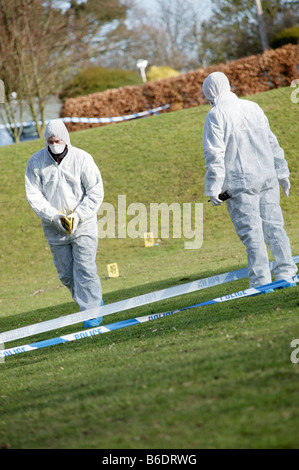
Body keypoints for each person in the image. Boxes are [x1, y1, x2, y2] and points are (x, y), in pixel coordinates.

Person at [202, 71, 297, 288]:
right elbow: (272, 142)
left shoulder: (216, 115)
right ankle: (287, 273)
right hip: (268, 178)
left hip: (240, 184)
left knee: (252, 234)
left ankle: (260, 281)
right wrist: (282, 172)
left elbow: (214, 155)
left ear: (209, 92)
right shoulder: (253, 107)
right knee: (275, 228)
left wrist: (213, 188)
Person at [25, 119, 104, 327]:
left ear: (66, 138)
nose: (54, 144)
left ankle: (91, 315)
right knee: (67, 275)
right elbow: (34, 195)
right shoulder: (36, 162)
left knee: (85, 269)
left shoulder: (82, 159)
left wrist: (78, 215)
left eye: (57, 140)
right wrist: (54, 217)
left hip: (84, 224)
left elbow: (95, 191)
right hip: (55, 229)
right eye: (50, 141)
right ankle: (91, 301)